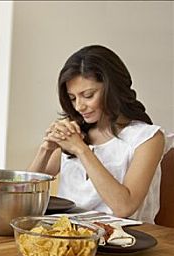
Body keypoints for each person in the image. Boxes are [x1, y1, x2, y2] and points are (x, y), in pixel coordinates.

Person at [28, 45, 171, 223]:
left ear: (113, 89)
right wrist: (46, 149)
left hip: (124, 240)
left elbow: (124, 207)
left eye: (88, 95)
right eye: (72, 98)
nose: (79, 106)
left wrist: (81, 150)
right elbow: (25, 190)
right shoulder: (77, 132)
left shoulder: (147, 138)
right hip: (65, 235)